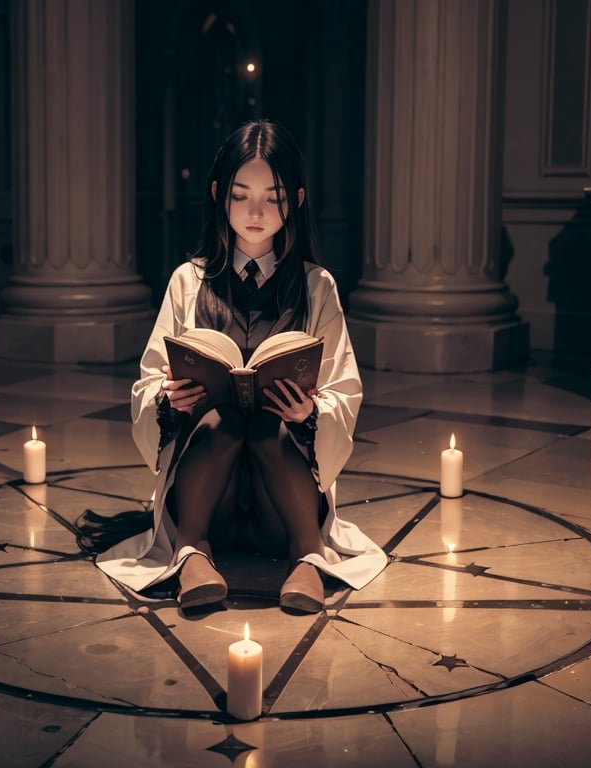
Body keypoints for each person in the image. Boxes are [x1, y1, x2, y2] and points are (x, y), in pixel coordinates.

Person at [95, 119, 386, 613]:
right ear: (218, 195)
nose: (255, 212)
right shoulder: (188, 282)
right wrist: (168, 401)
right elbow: (147, 384)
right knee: (223, 422)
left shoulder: (317, 287)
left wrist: (309, 414)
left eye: (272, 198)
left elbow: (344, 389)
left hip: (283, 506)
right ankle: (192, 553)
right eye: (240, 195)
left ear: (294, 200)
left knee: (269, 428)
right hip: (212, 500)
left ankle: (308, 557)